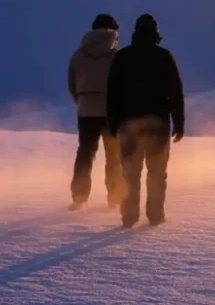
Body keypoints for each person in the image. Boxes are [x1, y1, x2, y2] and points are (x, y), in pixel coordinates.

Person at [107, 14, 185, 228]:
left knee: (130, 173)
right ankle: (156, 214)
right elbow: (175, 92)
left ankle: (129, 216)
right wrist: (179, 123)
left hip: (129, 124)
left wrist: (112, 122)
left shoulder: (122, 57)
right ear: (156, 34)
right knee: (157, 172)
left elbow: (112, 93)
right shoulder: (164, 56)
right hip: (158, 125)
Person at [67, 14, 126, 211]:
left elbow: (72, 84)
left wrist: (82, 101)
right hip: (112, 112)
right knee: (114, 155)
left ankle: (79, 197)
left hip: (86, 111)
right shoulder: (117, 56)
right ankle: (115, 197)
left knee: (85, 153)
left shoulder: (78, 55)